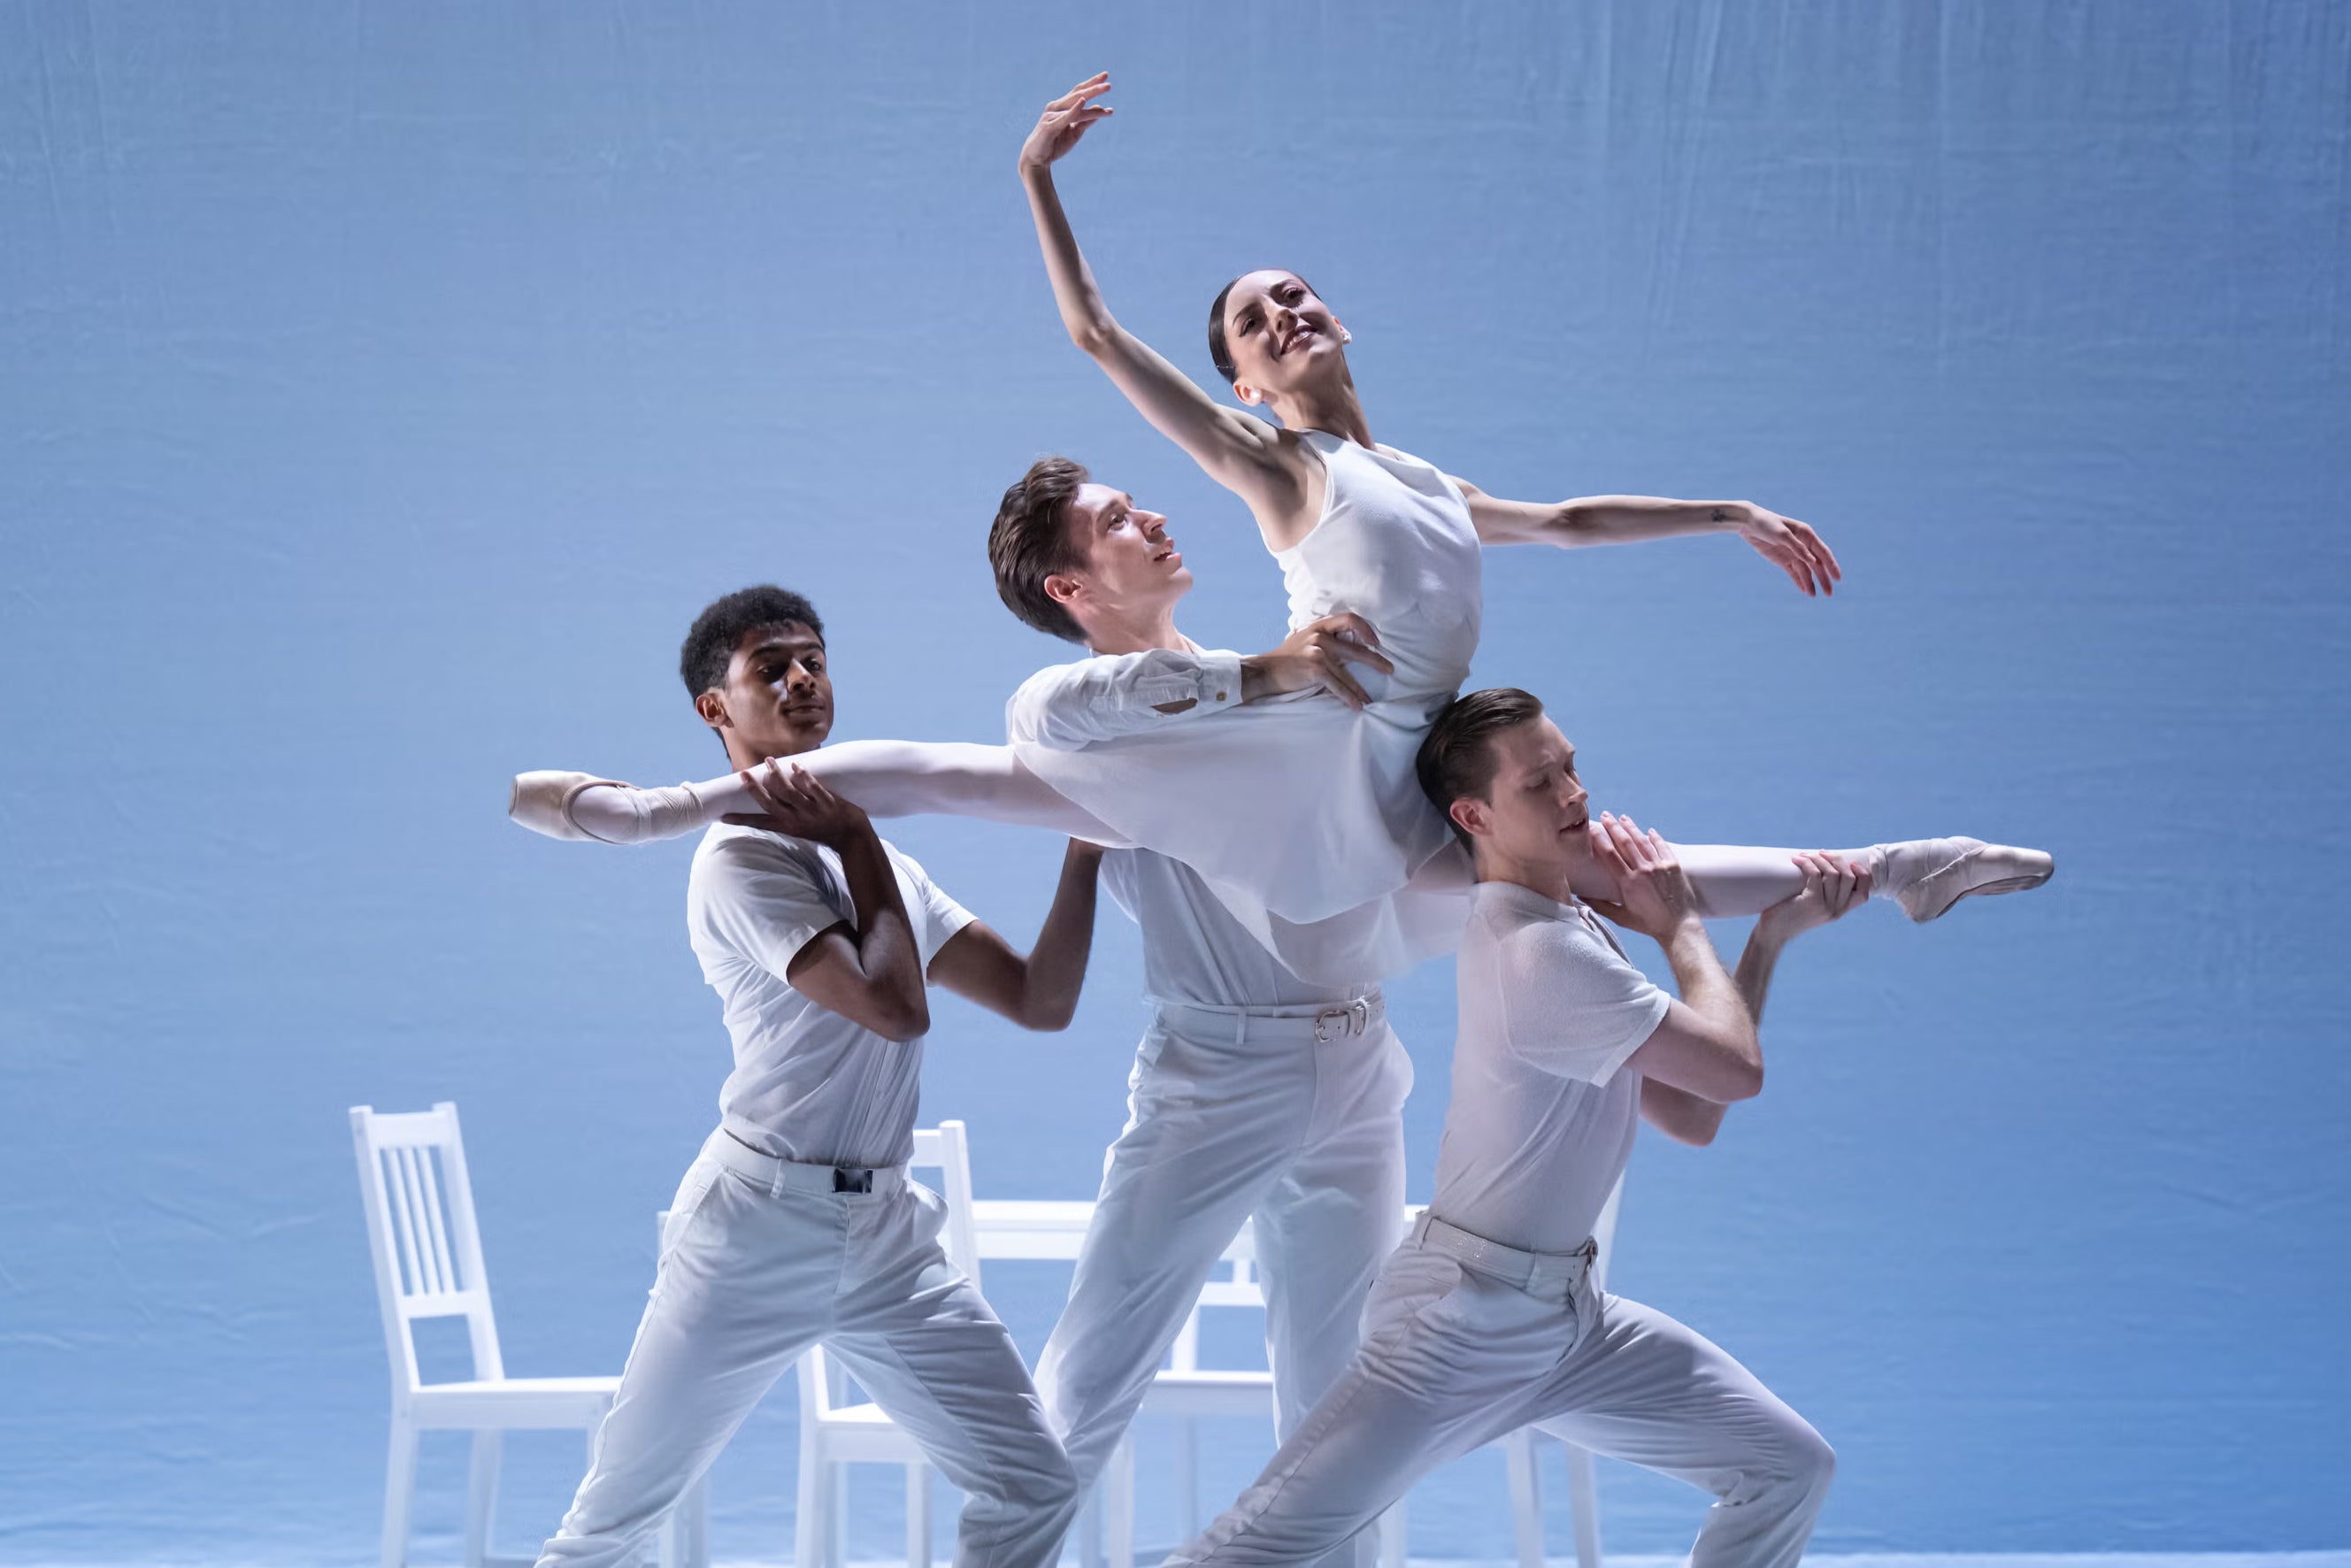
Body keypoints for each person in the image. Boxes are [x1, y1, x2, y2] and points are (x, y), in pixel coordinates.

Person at [980, 468, 2035, 1568]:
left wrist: (1719, 517)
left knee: (1325, 1406)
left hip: (1351, 1059)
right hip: (1218, 1069)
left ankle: (1877, 867)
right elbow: (1032, 726)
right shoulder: (1084, 718)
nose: (1149, 517)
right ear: (1069, 584)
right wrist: (1268, 669)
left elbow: (1515, 593)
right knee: (1090, 1375)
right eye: (1114, 520)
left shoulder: (1295, 698)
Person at [1160, 688, 1855, 1568]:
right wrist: (1679, 925)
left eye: (1569, 766)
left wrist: (1766, 939)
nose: (1574, 794)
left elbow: (1692, 1111)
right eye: (1540, 782)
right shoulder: (1534, 952)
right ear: (1472, 813)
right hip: (1459, 1324)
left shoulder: (1574, 926)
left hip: (1570, 1322)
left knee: (1785, 1466)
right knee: (1249, 1546)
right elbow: (1736, 1070)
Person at [534, 586, 1101, 1568]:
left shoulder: (888, 871)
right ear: (716, 708)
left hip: (885, 1235)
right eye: (771, 668)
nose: (803, 680)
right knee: (609, 1527)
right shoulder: (740, 862)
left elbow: (1037, 999)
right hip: (755, 1228)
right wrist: (855, 838)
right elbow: (894, 1006)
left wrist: (1088, 848)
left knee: (1033, 1484)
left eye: (814, 660)